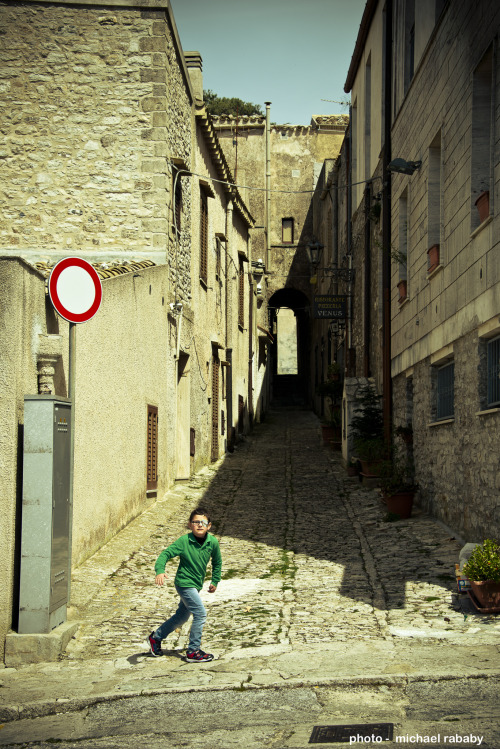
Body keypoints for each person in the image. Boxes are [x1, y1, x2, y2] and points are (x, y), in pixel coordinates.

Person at [148, 507, 222, 662]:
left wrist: (215, 580)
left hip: (196, 584)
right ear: (190, 525)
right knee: (200, 614)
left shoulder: (212, 542)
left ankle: (156, 637)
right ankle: (193, 651)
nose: (200, 525)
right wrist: (159, 570)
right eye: (196, 522)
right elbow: (165, 554)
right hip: (184, 583)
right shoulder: (184, 541)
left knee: (182, 616)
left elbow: (217, 562)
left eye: (203, 522)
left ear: (209, 526)